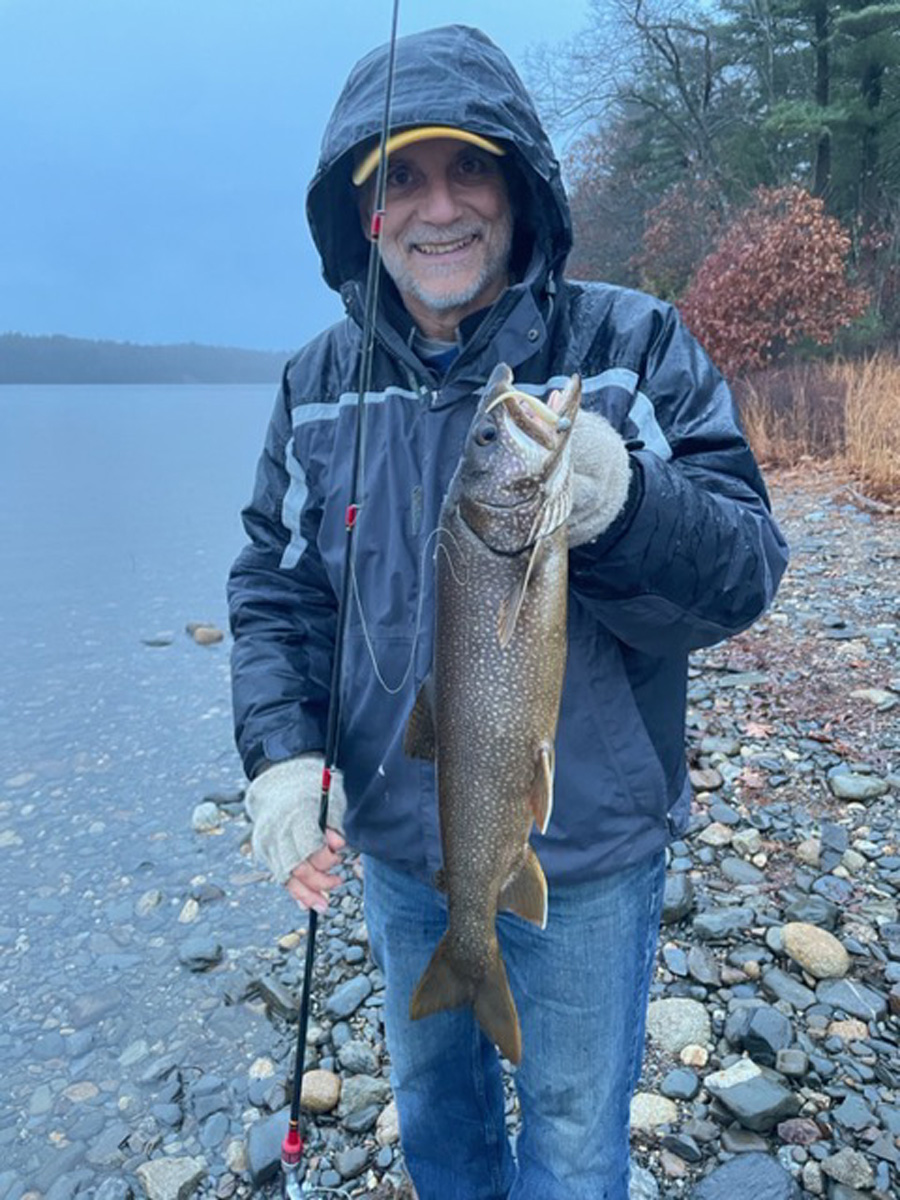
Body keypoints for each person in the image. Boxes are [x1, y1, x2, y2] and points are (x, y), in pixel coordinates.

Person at [228, 24, 788, 1200]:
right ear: (363, 214)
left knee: (578, 1139)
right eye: (402, 179)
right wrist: (282, 760)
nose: (440, 209)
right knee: (437, 1115)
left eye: (468, 169)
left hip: (583, 856)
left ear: (520, 189)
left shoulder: (632, 348)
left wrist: (630, 505)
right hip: (393, 849)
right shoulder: (317, 388)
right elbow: (277, 591)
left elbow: (745, 573)